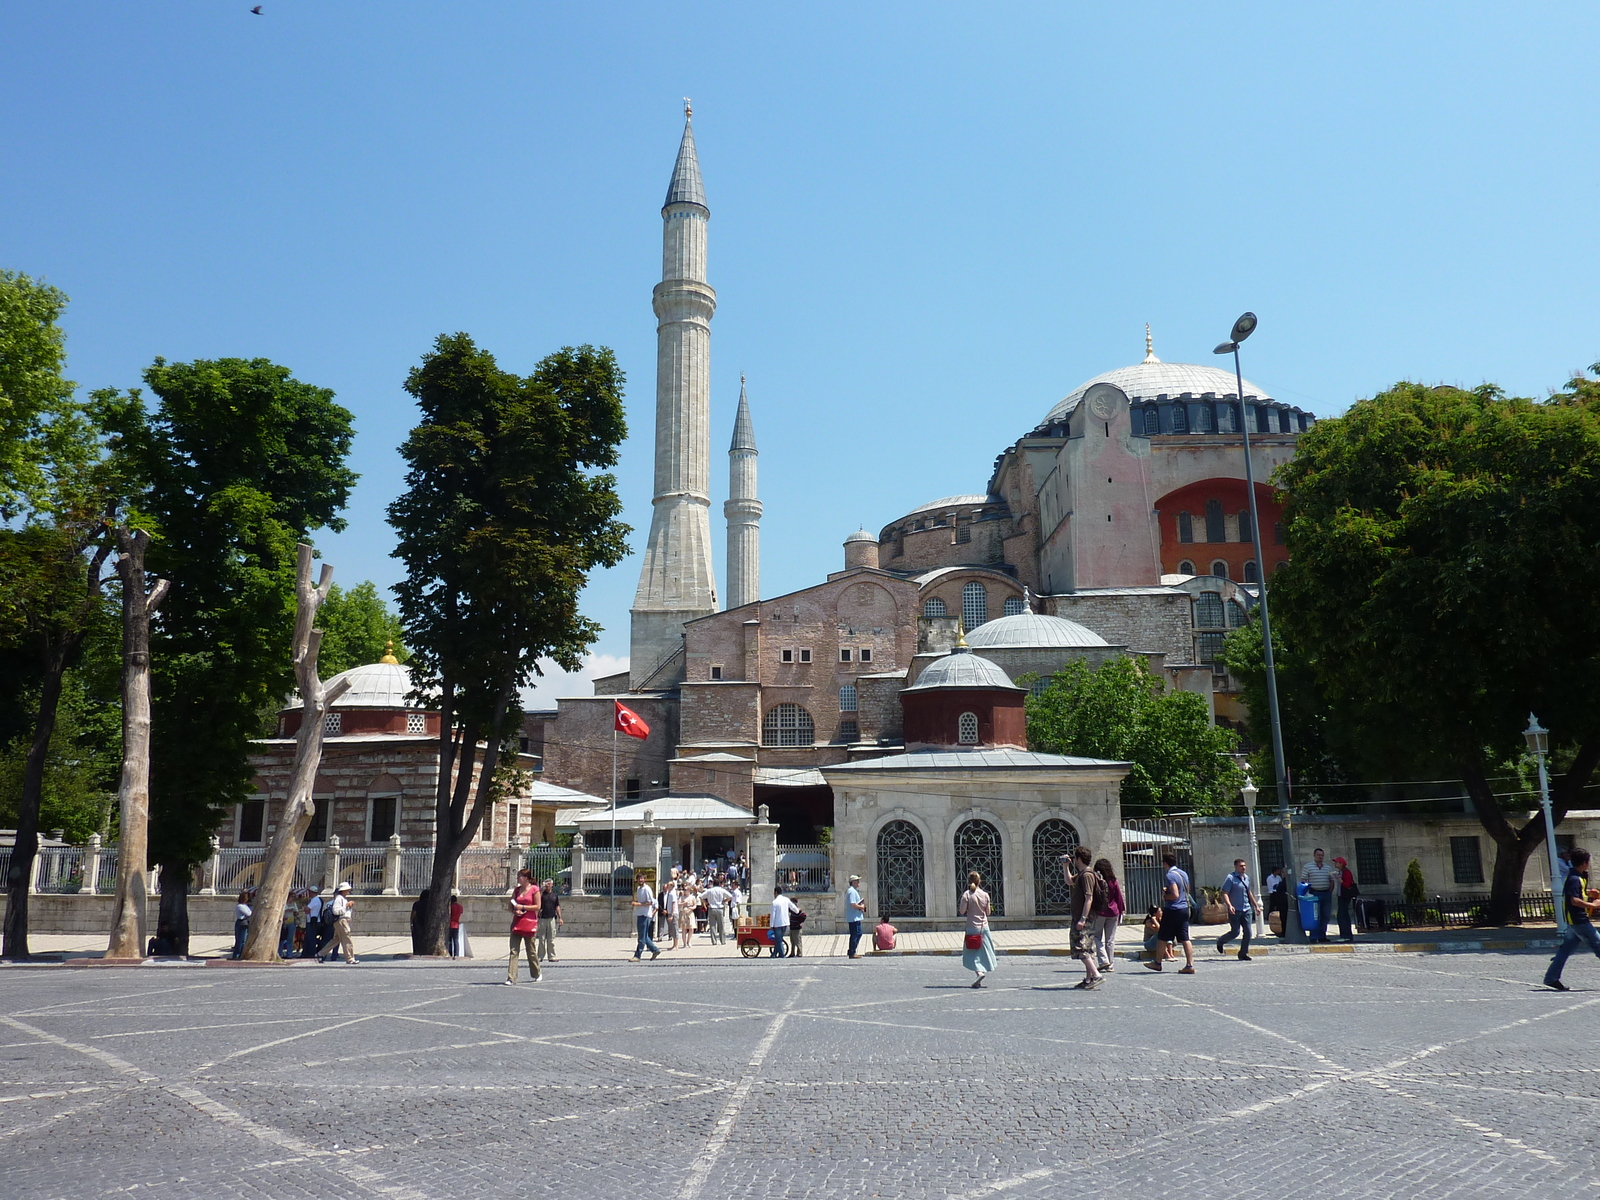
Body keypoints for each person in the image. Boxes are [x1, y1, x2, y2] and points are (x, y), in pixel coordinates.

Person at [1545, 849, 1600, 991]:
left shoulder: (1576, 876)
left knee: (1565, 950)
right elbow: (1574, 900)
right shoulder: (1575, 879)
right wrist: (1592, 904)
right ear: (1585, 863)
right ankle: (1551, 978)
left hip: (1573, 921)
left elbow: (1577, 895)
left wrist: (1588, 894)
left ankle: (1551, 978)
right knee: (1598, 945)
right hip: (1579, 921)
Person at [1144, 853, 1195, 974]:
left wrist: (1165, 896)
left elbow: (1175, 894)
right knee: (1184, 938)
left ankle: (1157, 963)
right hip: (1184, 908)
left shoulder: (1170, 875)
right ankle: (1189, 965)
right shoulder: (1183, 874)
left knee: (1162, 937)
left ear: (1165, 863)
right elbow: (1187, 890)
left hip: (1173, 909)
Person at [1066, 846, 1103, 990]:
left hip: (1085, 918)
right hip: (1083, 917)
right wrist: (1065, 866)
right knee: (1087, 948)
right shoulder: (1082, 874)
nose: (1074, 860)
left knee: (1080, 947)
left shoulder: (1087, 875)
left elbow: (1089, 898)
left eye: (1075, 858)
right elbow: (1069, 881)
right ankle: (1088, 980)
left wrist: (1082, 918)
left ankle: (1096, 975)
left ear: (1079, 858)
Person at [1217, 859, 1260, 961]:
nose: (1243, 867)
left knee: (1248, 932)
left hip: (1246, 909)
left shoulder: (1247, 878)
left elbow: (1249, 893)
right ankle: (1221, 941)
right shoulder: (1230, 878)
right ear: (1235, 867)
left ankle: (1243, 953)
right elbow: (1225, 893)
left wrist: (1256, 905)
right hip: (1235, 909)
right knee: (1235, 932)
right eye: (1241, 866)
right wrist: (1229, 905)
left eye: (1244, 865)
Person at [959, 871, 996, 988]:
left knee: (971, 953)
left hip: (971, 928)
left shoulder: (967, 895)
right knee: (984, 952)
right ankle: (979, 979)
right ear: (980, 881)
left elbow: (962, 911)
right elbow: (988, 912)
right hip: (984, 928)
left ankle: (979, 973)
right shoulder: (985, 895)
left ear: (969, 881)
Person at [505, 867, 541, 984]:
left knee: (531, 951)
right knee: (514, 951)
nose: (518, 878)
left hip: (529, 922)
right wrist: (515, 911)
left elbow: (537, 906)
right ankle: (511, 977)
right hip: (517, 922)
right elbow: (510, 905)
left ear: (526, 878)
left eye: (520, 876)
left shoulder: (535, 889)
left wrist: (523, 907)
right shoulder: (516, 890)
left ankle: (536, 973)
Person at [1093, 858, 1123, 972]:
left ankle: (1103, 960)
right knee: (1110, 940)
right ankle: (1110, 964)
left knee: (1096, 937)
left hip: (1100, 912)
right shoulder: (1113, 881)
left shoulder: (1097, 881)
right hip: (1113, 912)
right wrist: (1121, 911)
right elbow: (1119, 897)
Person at [1301, 848, 1337, 943]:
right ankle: (1313, 937)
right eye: (1318, 855)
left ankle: (1322, 936)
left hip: (1326, 893)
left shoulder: (1328, 868)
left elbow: (1331, 880)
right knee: (1315, 916)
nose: (1320, 857)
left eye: (1322, 855)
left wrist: (1330, 891)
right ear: (1314, 855)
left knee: (1325, 916)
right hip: (1314, 893)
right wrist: (1307, 893)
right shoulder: (1308, 867)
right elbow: (1304, 880)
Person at [318, 881, 358, 964]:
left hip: (342, 921)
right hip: (341, 921)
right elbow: (336, 911)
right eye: (347, 890)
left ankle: (320, 954)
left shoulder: (342, 899)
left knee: (335, 940)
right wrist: (346, 906)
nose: (348, 891)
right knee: (347, 939)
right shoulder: (339, 899)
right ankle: (350, 958)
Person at [631, 874, 661, 961]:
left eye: (642, 878)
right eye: (639, 878)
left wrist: (638, 904)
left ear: (644, 879)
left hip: (645, 914)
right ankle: (655, 950)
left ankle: (637, 955)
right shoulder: (639, 889)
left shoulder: (647, 889)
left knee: (641, 937)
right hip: (640, 913)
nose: (640, 880)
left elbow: (650, 902)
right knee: (643, 936)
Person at [1333, 856, 1358, 942]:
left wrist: (1338, 878)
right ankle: (1344, 935)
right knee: (1341, 916)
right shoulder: (1341, 872)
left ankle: (1346, 935)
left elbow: (1346, 884)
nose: (1335, 864)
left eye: (1337, 862)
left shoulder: (1346, 872)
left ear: (1341, 864)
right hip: (1341, 896)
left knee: (1343, 916)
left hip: (1345, 896)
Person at [769, 886, 799, 958]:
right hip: (785, 923)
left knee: (778, 940)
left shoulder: (774, 902)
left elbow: (773, 915)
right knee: (779, 939)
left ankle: (782, 955)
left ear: (776, 893)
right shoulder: (786, 899)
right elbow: (793, 907)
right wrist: (797, 911)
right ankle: (774, 954)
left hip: (777, 924)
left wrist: (771, 925)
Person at [537, 879, 561, 962]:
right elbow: (537, 900)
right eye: (546, 884)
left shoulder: (554, 895)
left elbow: (557, 906)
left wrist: (560, 917)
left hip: (551, 918)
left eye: (549, 884)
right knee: (541, 939)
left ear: (552, 885)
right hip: (542, 918)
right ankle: (540, 956)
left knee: (551, 939)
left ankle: (552, 956)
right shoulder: (542, 894)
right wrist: (541, 889)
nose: (548, 885)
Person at [845, 875, 867, 959]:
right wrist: (861, 907)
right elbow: (853, 904)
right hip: (853, 917)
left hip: (856, 917)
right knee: (855, 934)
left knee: (858, 933)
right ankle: (852, 952)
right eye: (857, 881)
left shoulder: (854, 891)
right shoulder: (851, 891)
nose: (859, 883)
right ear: (853, 882)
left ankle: (852, 950)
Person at [703, 877, 731, 945]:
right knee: (721, 925)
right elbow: (730, 896)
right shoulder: (721, 890)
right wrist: (724, 901)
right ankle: (723, 941)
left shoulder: (709, 890)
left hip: (711, 908)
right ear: (719, 884)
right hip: (720, 908)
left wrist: (706, 903)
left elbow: (701, 896)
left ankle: (714, 941)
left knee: (712, 926)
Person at [302, 890, 327, 958]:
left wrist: (307, 910)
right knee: (309, 938)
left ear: (312, 893)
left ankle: (311, 953)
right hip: (315, 921)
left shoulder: (314, 900)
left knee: (311, 938)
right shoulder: (318, 900)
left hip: (312, 922)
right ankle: (306, 953)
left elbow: (306, 909)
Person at [231, 889, 252, 959]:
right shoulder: (240, 906)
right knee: (240, 940)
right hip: (241, 922)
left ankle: (240, 954)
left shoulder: (245, 906)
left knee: (243, 940)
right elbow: (249, 913)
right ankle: (237, 955)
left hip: (245, 922)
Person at [410, 888, 431, 956]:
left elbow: (413, 914)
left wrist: (412, 924)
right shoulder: (430, 904)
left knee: (417, 939)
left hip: (418, 923)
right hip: (427, 923)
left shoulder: (417, 903)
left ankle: (417, 951)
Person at [449, 890, 465, 958]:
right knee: (456, 940)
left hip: (450, 924)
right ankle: (456, 954)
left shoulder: (451, 907)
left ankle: (450, 953)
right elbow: (461, 912)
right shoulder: (460, 906)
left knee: (449, 940)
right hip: (456, 924)